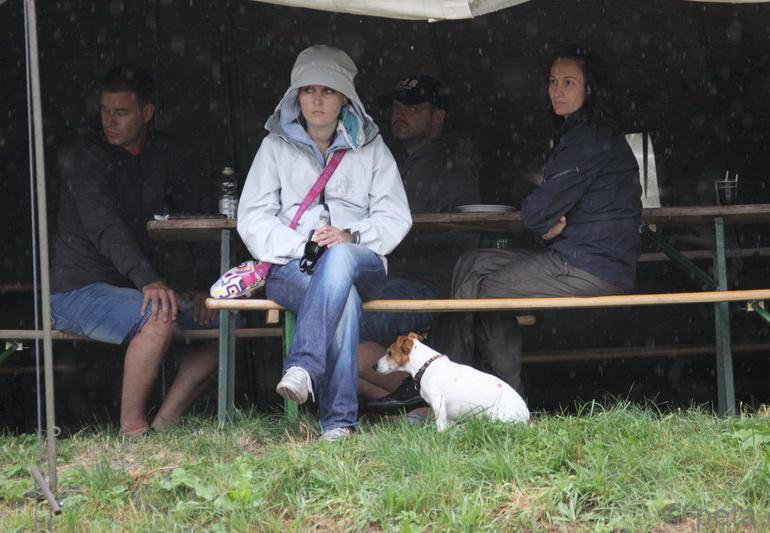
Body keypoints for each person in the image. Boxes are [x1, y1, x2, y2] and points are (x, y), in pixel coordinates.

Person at [435, 46, 642, 394]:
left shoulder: (588, 138)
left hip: (591, 264)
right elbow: (544, 212)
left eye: (569, 82)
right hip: (576, 253)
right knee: (470, 264)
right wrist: (549, 223)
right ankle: (454, 380)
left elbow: (534, 213)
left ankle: (495, 396)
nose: (557, 91)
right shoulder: (578, 132)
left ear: (590, 88)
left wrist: (547, 219)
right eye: (552, 81)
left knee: (485, 292)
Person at [237, 45, 411, 441]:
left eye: (328, 91)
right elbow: (253, 217)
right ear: (295, 96)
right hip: (293, 266)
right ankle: (339, 423)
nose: (317, 100)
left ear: (345, 98)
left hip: (360, 261)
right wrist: (304, 246)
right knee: (343, 299)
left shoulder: (371, 146)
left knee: (341, 259)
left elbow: (395, 216)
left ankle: (303, 364)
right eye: (308, 90)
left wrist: (351, 236)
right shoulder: (274, 147)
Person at [50, 65, 220, 436]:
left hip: (138, 290)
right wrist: (149, 281)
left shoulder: (166, 153)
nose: (109, 121)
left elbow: (199, 221)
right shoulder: (86, 156)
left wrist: (207, 287)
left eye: (121, 112)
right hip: (77, 290)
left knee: (227, 319)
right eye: (104, 111)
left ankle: (162, 427)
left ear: (147, 112)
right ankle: (132, 430)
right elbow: (105, 227)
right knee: (158, 316)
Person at [357, 75, 482, 407]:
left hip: (424, 285)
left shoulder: (443, 162)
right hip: (397, 281)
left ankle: (430, 397)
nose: (400, 113)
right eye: (397, 106)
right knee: (332, 329)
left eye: (412, 108)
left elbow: (391, 228)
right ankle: (417, 407)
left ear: (437, 117)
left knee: (342, 326)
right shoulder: (408, 161)